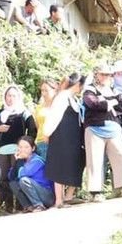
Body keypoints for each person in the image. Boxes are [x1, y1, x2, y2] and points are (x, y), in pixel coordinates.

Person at [83, 63, 122, 201]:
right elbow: (92, 103)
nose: (105, 77)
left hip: (113, 127)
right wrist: (109, 103)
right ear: (96, 75)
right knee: (95, 160)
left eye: (107, 75)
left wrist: (106, 102)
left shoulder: (114, 89)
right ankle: (96, 192)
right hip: (94, 128)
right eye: (102, 74)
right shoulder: (89, 89)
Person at [0, 85, 38, 200]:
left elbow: (33, 131)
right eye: (9, 96)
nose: (11, 98)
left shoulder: (24, 113)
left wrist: (25, 146)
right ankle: (8, 205)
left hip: (18, 151)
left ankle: (22, 204)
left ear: (18, 97)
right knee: (4, 178)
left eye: (14, 96)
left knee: (18, 175)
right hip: (2, 151)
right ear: (5, 97)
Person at [43, 73, 85, 207]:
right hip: (61, 136)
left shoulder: (74, 99)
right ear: (78, 84)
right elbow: (54, 116)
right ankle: (59, 200)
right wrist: (47, 133)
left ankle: (68, 196)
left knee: (76, 163)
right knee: (59, 165)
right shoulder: (62, 97)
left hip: (74, 138)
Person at [7, 137, 54, 212]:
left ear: (33, 148)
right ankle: (28, 206)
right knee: (13, 183)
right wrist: (17, 161)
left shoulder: (37, 160)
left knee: (24, 180)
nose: (23, 150)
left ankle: (39, 205)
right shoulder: (22, 161)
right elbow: (11, 177)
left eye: (26, 147)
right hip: (36, 193)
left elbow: (23, 174)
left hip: (48, 196)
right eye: (20, 147)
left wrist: (19, 161)